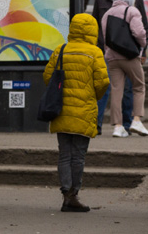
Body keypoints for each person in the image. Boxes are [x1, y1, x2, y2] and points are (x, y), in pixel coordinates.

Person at [43, 13, 109, 213]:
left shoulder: (61, 50)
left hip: (61, 110)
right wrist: (92, 96)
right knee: (78, 156)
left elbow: (47, 76)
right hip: (84, 110)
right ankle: (74, 194)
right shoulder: (95, 52)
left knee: (64, 154)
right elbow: (103, 82)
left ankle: (65, 195)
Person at [91, 0, 148, 135]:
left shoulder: (108, 13)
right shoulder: (132, 8)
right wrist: (141, 47)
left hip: (111, 56)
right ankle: (136, 121)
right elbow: (140, 31)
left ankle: (118, 126)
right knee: (139, 86)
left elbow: (101, 29)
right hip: (129, 54)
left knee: (117, 89)